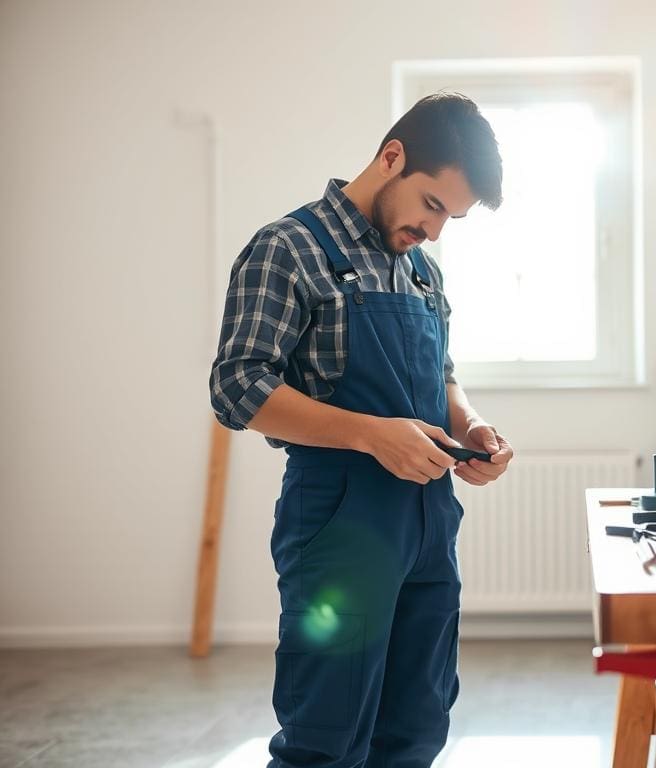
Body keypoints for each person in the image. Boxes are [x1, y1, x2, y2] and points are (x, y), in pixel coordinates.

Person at [209, 92, 514, 768]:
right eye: (432, 205)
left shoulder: (423, 272)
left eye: (451, 218)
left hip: (431, 523)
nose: (434, 231)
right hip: (341, 520)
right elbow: (237, 387)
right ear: (391, 158)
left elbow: (443, 376)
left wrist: (475, 426)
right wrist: (372, 434)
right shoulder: (288, 248)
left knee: (416, 727)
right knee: (327, 735)